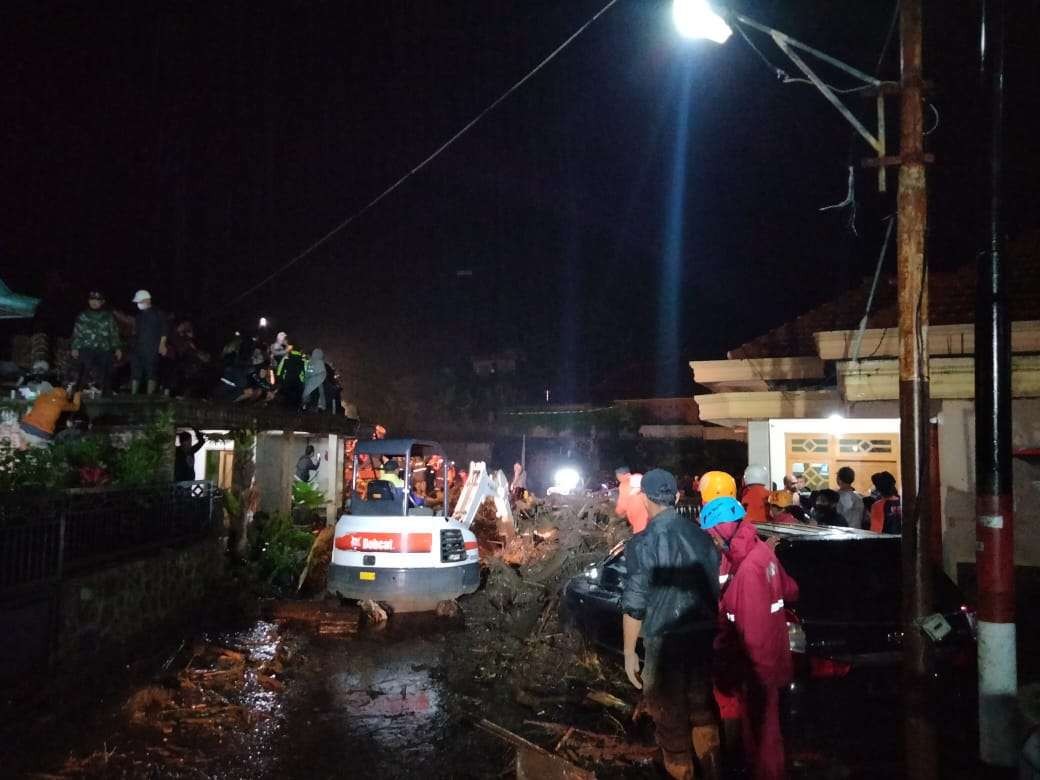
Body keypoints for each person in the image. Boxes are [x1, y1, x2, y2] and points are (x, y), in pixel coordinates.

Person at [622, 468, 722, 780]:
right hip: (703, 639)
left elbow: (635, 604)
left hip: (665, 646)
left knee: (671, 726)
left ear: (644, 498)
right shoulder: (703, 537)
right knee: (703, 713)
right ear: (677, 497)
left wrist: (629, 653)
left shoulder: (641, 544)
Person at [701, 496, 799, 780]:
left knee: (762, 742)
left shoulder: (747, 572)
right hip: (771, 664)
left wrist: (739, 674)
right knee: (764, 736)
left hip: (758, 672)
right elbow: (791, 590)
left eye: (712, 535)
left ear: (723, 530)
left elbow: (751, 637)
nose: (713, 543)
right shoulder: (762, 553)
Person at [70, 290, 122, 395]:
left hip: (104, 348)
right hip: (86, 348)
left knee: (106, 372)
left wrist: (117, 348)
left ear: (102, 302)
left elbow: (114, 333)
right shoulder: (83, 316)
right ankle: (78, 395)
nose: (94, 302)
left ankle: (106, 394)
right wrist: (74, 347)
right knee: (83, 371)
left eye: (97, 300)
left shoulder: (108, 316)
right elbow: (77, 333)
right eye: (91, 299)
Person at [129, 290, 168, 395]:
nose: (138, 304)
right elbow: (135, 332)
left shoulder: (158, 314)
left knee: (151, 372)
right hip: (138, 348)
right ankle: (133, 395)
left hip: (152, 348)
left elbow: (164, 330)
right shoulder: (139, 316)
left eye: (140, 302)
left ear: (147, 300)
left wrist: (162, 344)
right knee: (135, 372)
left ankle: (150, 397)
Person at [615, 466, 649, 533]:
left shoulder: (624, 484)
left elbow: (622, 505)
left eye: (617, 476)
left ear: (620, 475)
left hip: (640, 521)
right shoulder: (639, 477)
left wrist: (617, 513)